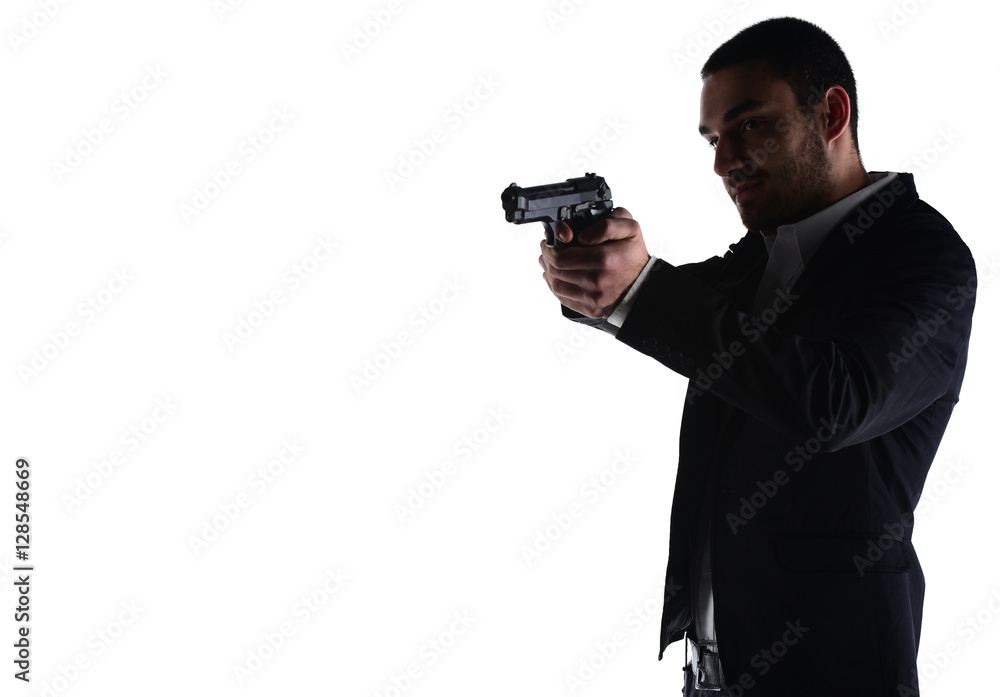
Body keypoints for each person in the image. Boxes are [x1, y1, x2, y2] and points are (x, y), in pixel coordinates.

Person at [537, 16, 976, 696]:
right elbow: (675, 308)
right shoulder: (764, 257)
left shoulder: (923, 257)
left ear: (831, 114)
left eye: (749, 125)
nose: (724, 162)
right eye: (714, 139)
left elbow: (834, 399)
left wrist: (639, 290)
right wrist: (599, 277)